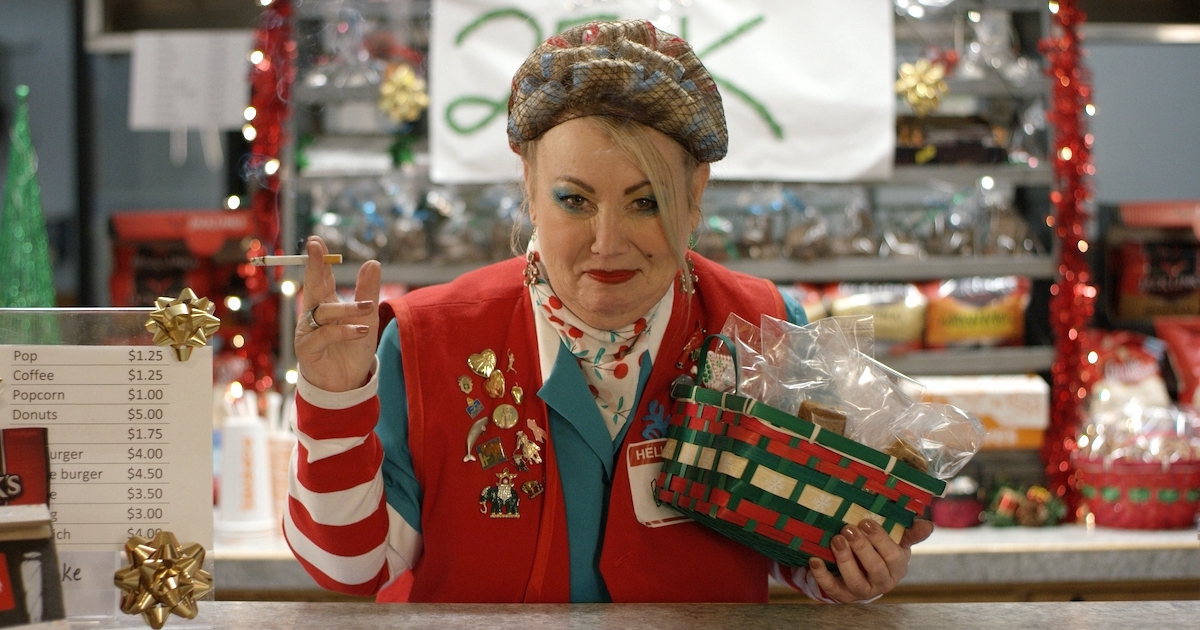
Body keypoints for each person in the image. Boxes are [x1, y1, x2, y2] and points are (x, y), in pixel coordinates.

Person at [286, 19, 933, 604]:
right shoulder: (426, 339)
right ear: (529, 186)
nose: (607, 240)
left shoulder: (760, 329)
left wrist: (842, 568)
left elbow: (794, 546)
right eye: (574, 200)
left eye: (645, 202)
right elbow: (351, 569)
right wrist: (333, 401)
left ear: (696, 190)